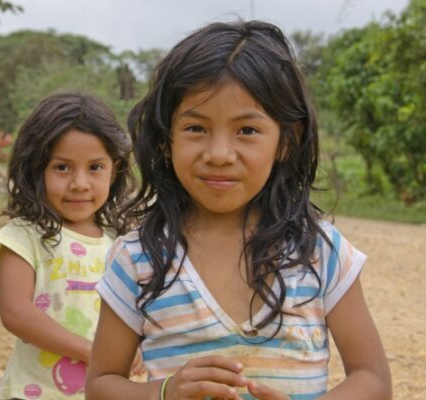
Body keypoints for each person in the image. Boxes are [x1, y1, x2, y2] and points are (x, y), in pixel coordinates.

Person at [86, 21, 391, 400]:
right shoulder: (138, 260)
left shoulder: (321, 252)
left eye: (246, 130)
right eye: (196, 128)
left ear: (287, 141)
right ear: (167, 140)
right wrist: (163, 393)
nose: (219, 155)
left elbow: (372, 378)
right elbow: (101, 385)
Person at [0, 92, 140, 400]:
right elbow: (15, 312)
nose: (80, 183)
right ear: (36, 169)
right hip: (34, 394)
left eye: (95, 167)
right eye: (62, 167)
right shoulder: (23, 235)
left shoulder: (121, 242)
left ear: (116, 168)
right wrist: (91, 351)